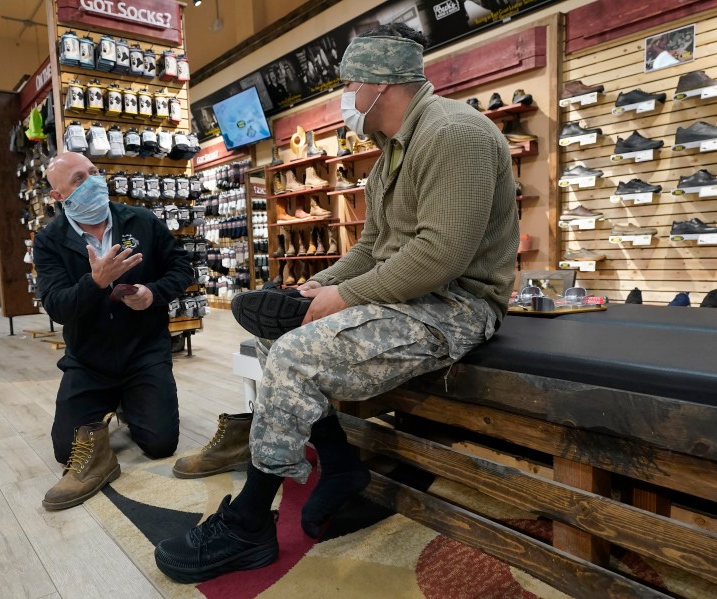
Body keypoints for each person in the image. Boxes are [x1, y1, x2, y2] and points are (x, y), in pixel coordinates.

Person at [154, 23, 519, 583]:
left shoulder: (453, 133)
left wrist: (339, 299)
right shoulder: (392, 148)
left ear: (381, 82)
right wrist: (312, 288)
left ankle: (250, 524)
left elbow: (442, 255)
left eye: (349, 82)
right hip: (413, 297)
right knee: (274, 334)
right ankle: (342, 466)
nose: (344, 95)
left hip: (457, 305)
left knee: (297, 355)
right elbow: (374, 247)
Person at [34, 152, 194, 510]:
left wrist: (153, 294)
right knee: (66, 451)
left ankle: (130, 402)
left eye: (93, 172)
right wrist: (95, 283)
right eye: (78, 179)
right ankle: (115, 401)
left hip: (144, 352)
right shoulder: (49, 240)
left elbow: (182, 269)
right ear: (59, 197)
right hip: (89, 360)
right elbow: (58, 305)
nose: (92, 181)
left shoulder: (141, 220)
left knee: (160, 445)